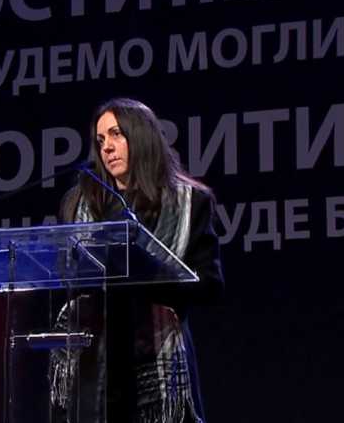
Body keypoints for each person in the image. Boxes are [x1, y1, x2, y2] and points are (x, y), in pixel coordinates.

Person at [53, 98, 224, 423]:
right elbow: (66, 279)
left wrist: (152, 276)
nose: (106, 147)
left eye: (116, 134)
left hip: (158, 367)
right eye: (100, 140)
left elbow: (210, 284)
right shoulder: (83, 204)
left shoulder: (189, 203)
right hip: (96, 371)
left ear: (141, 136)